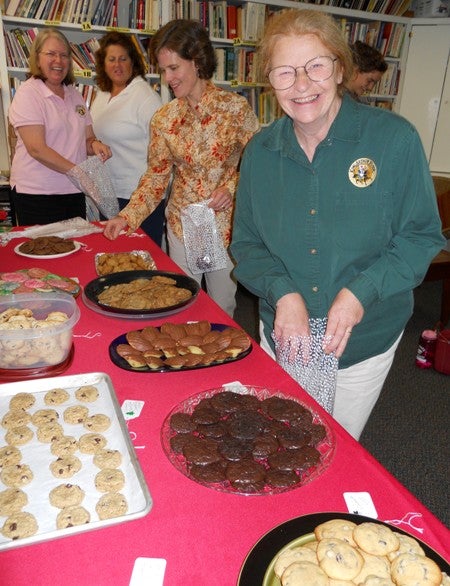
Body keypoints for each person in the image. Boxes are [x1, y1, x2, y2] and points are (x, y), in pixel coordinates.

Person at [230, 9, 445, 440]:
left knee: (335, 447)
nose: (302, 84)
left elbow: (421, 237)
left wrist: (359, 293)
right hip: (284, 336)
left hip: (363, 341)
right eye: (285, 72)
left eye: (316, 66)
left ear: (340, 68)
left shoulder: (394, 140)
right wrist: (282, 292)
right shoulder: (259, 152)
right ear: (268, 81)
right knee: (279, 438)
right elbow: (247, 244)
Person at [103, 19, 259, 316]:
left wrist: (232, 186)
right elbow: (156, 176)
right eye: (163, 70)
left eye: (174, 68)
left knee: (222, 307)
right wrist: (127, 217)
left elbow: (258, 164)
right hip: (182, 225)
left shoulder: (234, 109)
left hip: (224, 226)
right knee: (179, 303)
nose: (167, 78)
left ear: (197, 61)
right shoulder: (164, 118)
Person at [8, 28, 111, 225]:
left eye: (64, 55)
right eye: (51, 54)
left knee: (76, 249)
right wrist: (78, 172)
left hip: (73, 191)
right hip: (37, 193)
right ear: (37, 59)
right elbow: (37, 148)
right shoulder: (28, 93)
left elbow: (87, 139)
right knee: (43, 251)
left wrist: (96, 145)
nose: (58, 60)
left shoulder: (74, 94)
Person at [91, 31, 165, 245]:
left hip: (139, 196)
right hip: (107, 195)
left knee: (142, 262)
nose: (118, 65)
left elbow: (162, 150)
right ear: (103, 63)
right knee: (114, 261)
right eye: (111, 59)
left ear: (133, 62)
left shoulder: (145, 97)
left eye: (123, 59)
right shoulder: (102, 95)